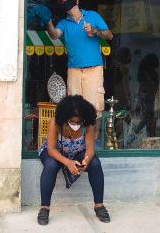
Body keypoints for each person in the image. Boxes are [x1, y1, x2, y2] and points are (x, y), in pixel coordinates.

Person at [45, 0, 113, 141]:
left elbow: (109, 35)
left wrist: (95, 31)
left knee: (95, 107)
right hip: (74, 70)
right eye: (65, 4)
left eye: (70, 2)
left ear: (77, 1)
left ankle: (94, 142)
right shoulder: (64, 23)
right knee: (74, 108)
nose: (68, 6)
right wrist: (48, 21)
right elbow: (54, 35)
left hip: (94, 69)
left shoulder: (92, 16)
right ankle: (77, 142)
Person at [37, 95, 110, 225]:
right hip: (55, 153)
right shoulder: (55, 123)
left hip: (76, 152)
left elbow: (90, 149)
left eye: (79, 122)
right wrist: (68, 162)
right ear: (65, 118)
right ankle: (44, 208)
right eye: (72, 122)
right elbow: (51, 150)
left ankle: (99, 205)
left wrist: (85, 162)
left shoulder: (87, 125)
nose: (76, 125)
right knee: (51, 165)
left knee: (95, 163)